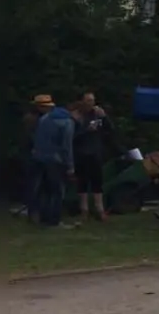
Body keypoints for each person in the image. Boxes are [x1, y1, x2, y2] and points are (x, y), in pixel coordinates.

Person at [29, 94, 75, 227]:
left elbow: (38, 141)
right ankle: (54, 220)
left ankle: (43, 218)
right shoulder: (66, 121)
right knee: (57, 191)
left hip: (40, 159)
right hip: (56, 160)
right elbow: (67, 146)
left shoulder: (43, 120)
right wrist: (70, 166)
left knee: (44, 190)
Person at [72, 92, 117, 222]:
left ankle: (100, 209)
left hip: (96, 152)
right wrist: (86, 130)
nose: (90, 103)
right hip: (81, 153)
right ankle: (84, 210)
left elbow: (110, 130)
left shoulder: (97, 114)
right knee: (82, 182)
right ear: (82, 102)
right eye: (88, 100)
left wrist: (105, 117)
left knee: (97, 181)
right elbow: (72, 136)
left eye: (92, 100)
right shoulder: (77, 116)